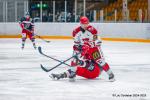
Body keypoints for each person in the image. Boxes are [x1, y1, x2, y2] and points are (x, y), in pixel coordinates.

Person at [50, 16, 115, 82]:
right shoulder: (75, 32)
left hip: (93, 48)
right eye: (84, 24)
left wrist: (89, 45)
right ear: (80, 23)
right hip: (83, 49)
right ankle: (72, 73)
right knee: (75, 58)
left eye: (87, 23)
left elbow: (98, 41)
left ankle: (110, 74)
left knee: (99, 60)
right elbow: (76, 44)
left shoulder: (92, 30)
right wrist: (79, 49)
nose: (85, 25)